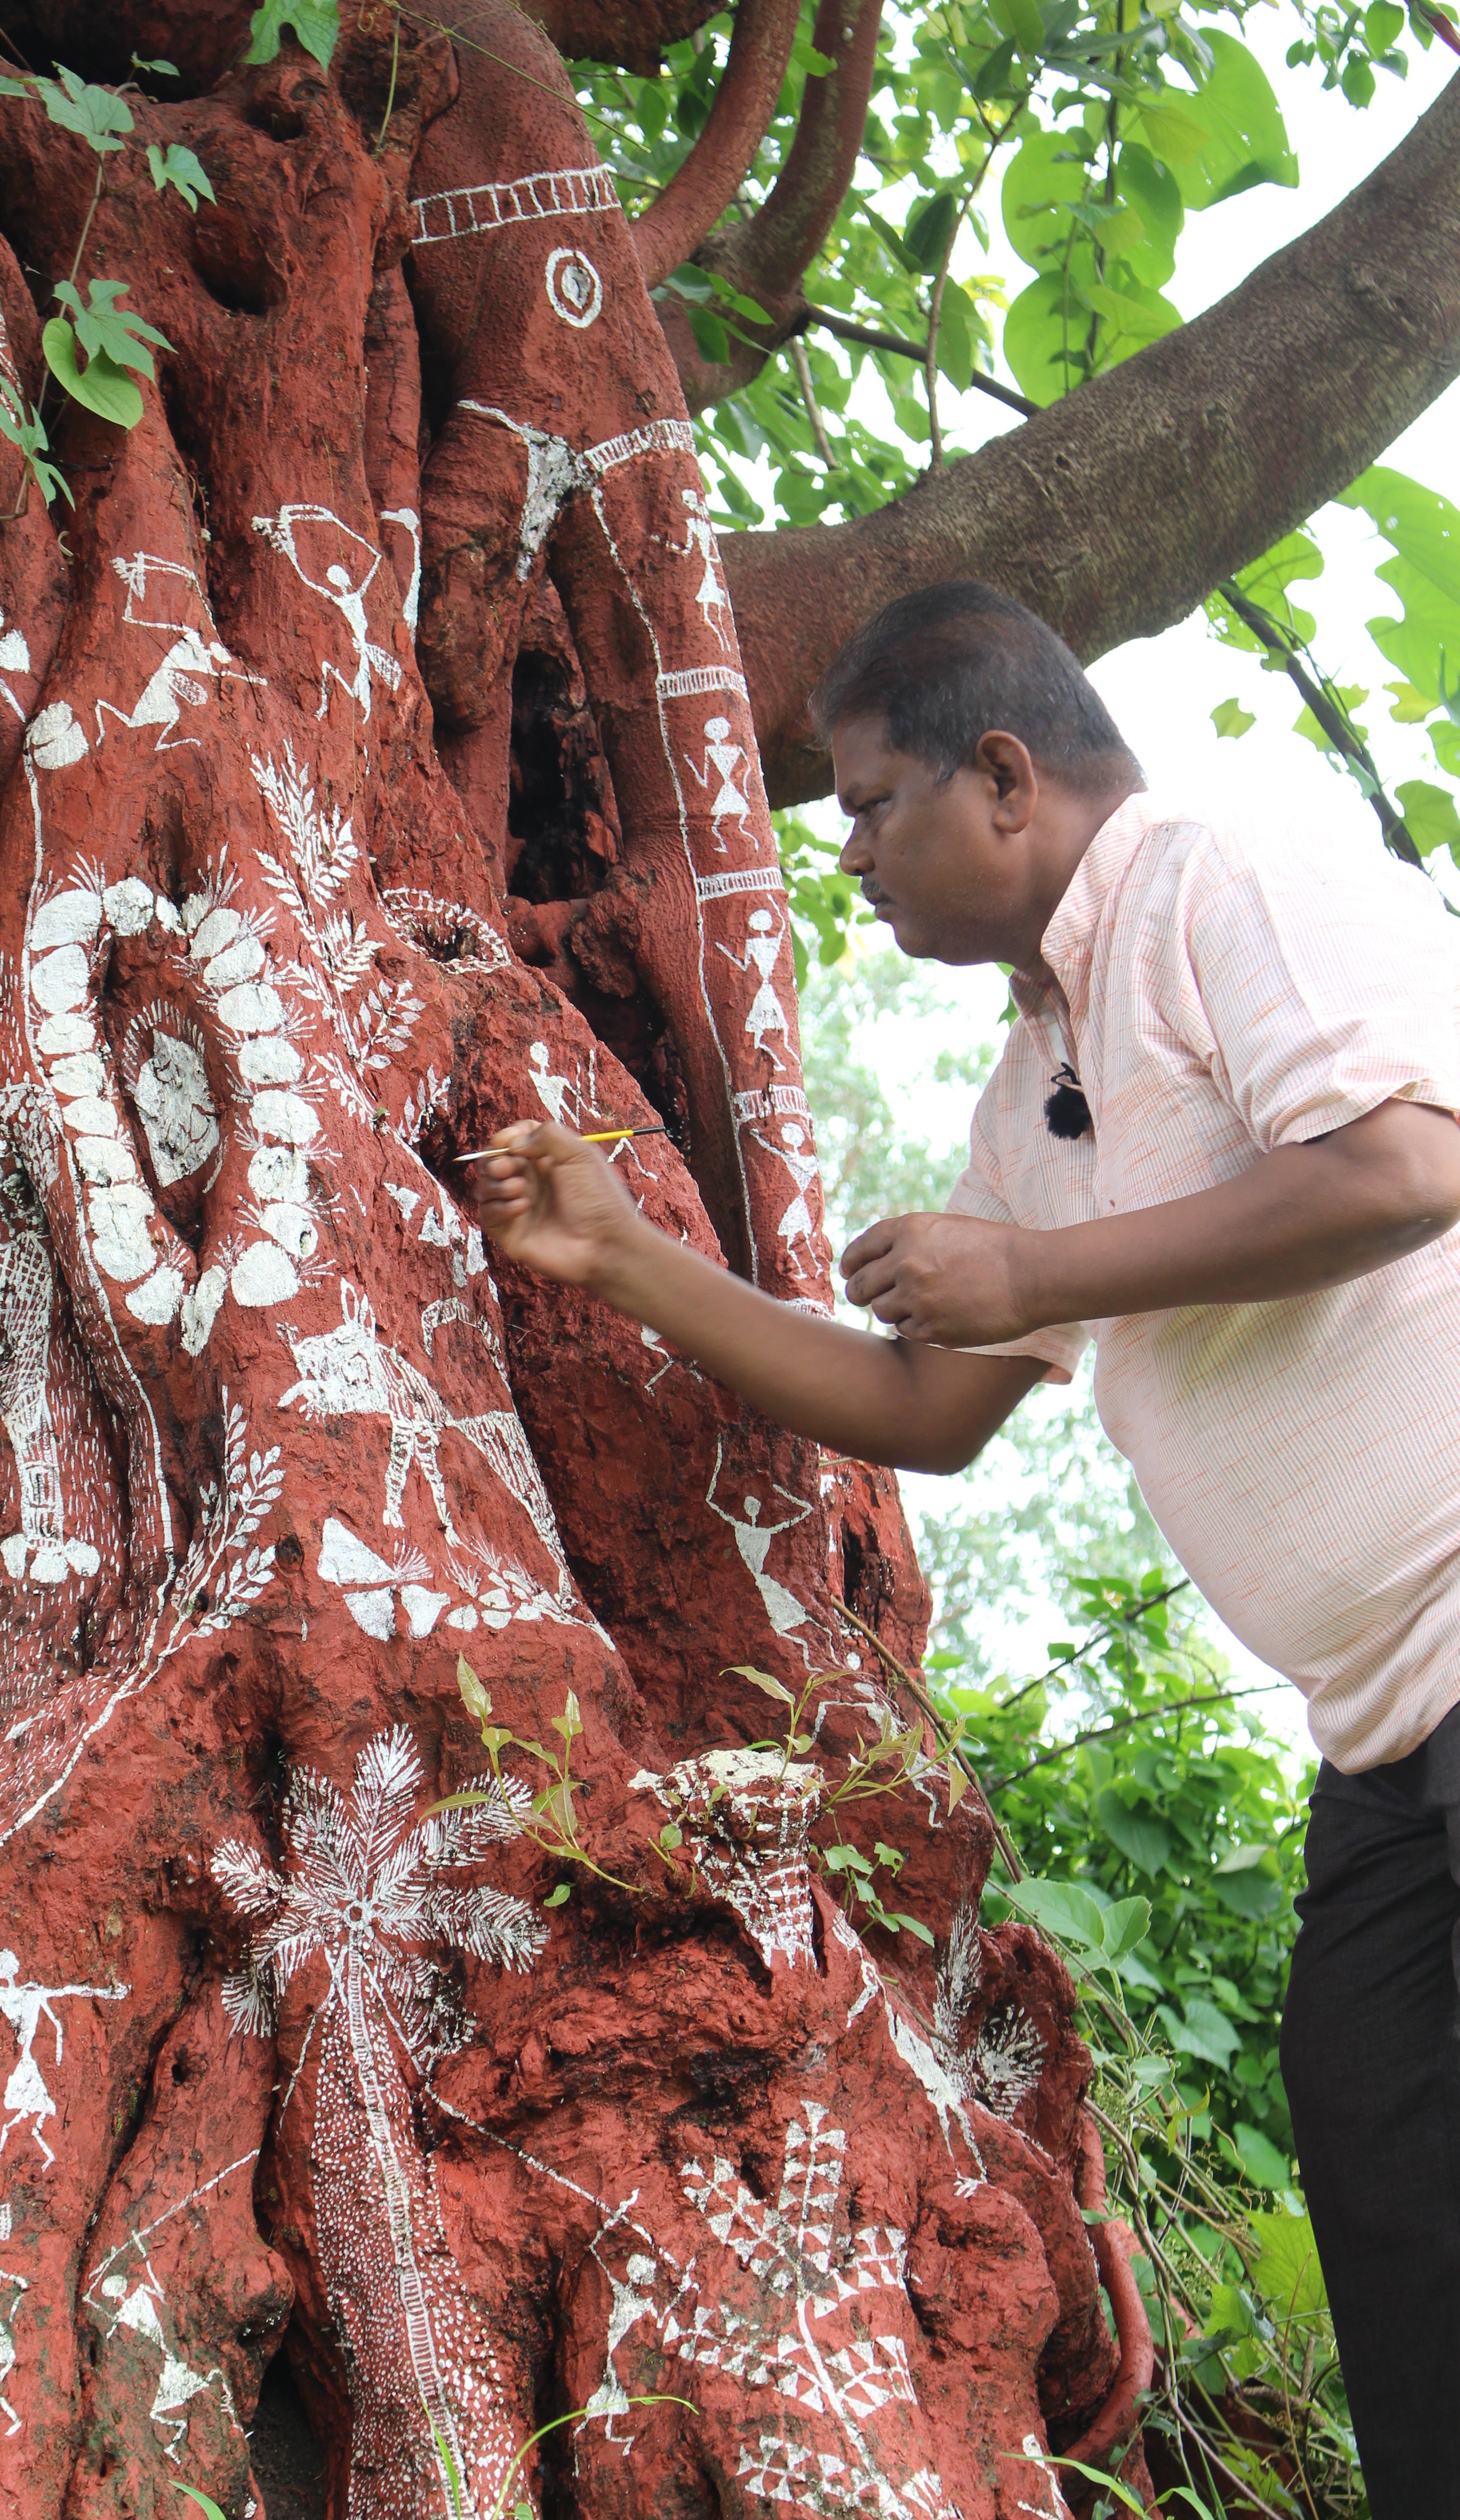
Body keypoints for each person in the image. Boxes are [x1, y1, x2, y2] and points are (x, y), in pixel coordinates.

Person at [473, 580, 1460, 2520]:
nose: (846, 855)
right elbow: (926, 1409)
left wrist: (1036, 1267)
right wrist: (621, 1258)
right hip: (1382, 1759)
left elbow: (1411, 1161)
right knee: (1404, 2237)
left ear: (1006, 777)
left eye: (864, 802)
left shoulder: (1216, 880)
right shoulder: (1039, 1084)